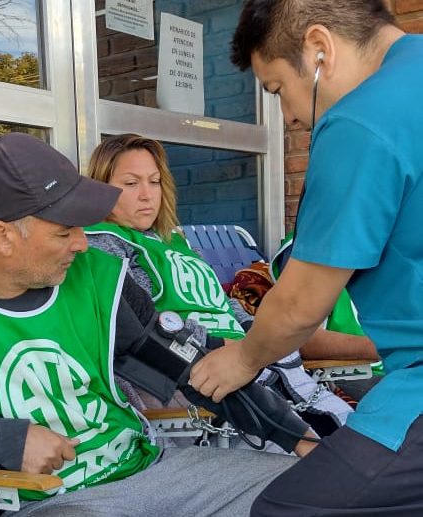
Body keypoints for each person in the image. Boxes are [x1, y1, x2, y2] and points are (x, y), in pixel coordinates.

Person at [0, 132, 316, 517]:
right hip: (53, 504)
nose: (82, 243)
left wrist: (298, 438)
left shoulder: (99, 280)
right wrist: (1, 439)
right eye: (64, 230)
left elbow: (195, 366)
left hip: (155, 471)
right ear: (3, 236)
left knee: (315, 490)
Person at [189, 1, 423, 514]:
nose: (289, 116)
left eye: (276, 90)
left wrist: (244, 358)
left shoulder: (362, 119)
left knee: (288, 506)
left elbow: (299, 305)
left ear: (319, 49)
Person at [84, 133, 354, 438]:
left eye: (155, 181)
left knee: (350, 438)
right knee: (325, 449)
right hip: (204, 375)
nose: (147, 195)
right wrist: (248, 350)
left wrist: (258, 334)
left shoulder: (176, 241)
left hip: (251, 362)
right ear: (101, 188)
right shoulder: (104, 244)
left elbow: (222, 304)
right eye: (131, 184)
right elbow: (145, 328)